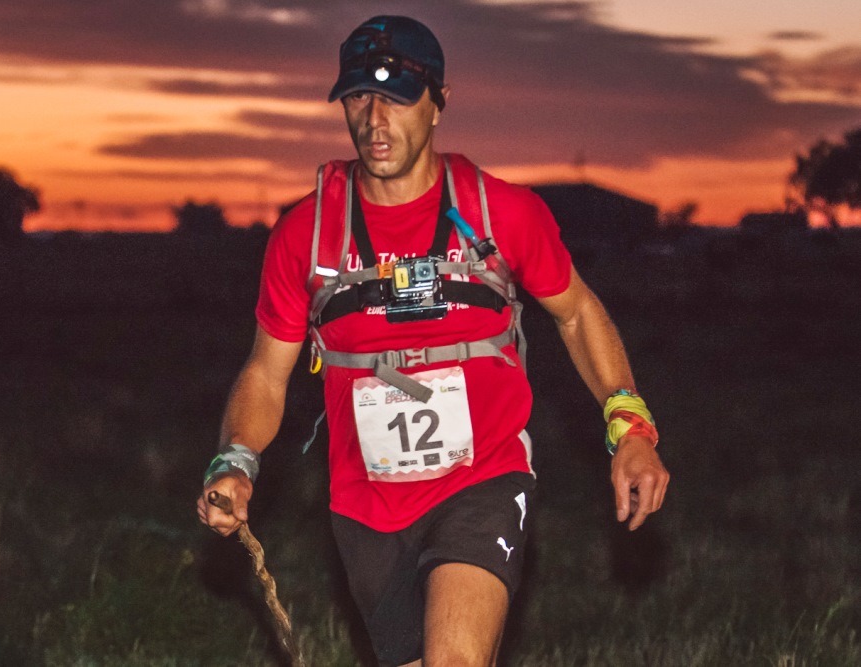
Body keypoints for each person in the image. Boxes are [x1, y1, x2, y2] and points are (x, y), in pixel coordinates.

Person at [196, 14, 669, 667]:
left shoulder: (501, 214)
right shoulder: (306, 235)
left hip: (483, 479)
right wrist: (236, 459)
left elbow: (578, 313)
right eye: (358, 97)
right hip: (364, 505)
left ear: (438, 102)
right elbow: (265, 374)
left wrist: (630, 424)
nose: (373, 118)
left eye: (396, 97)